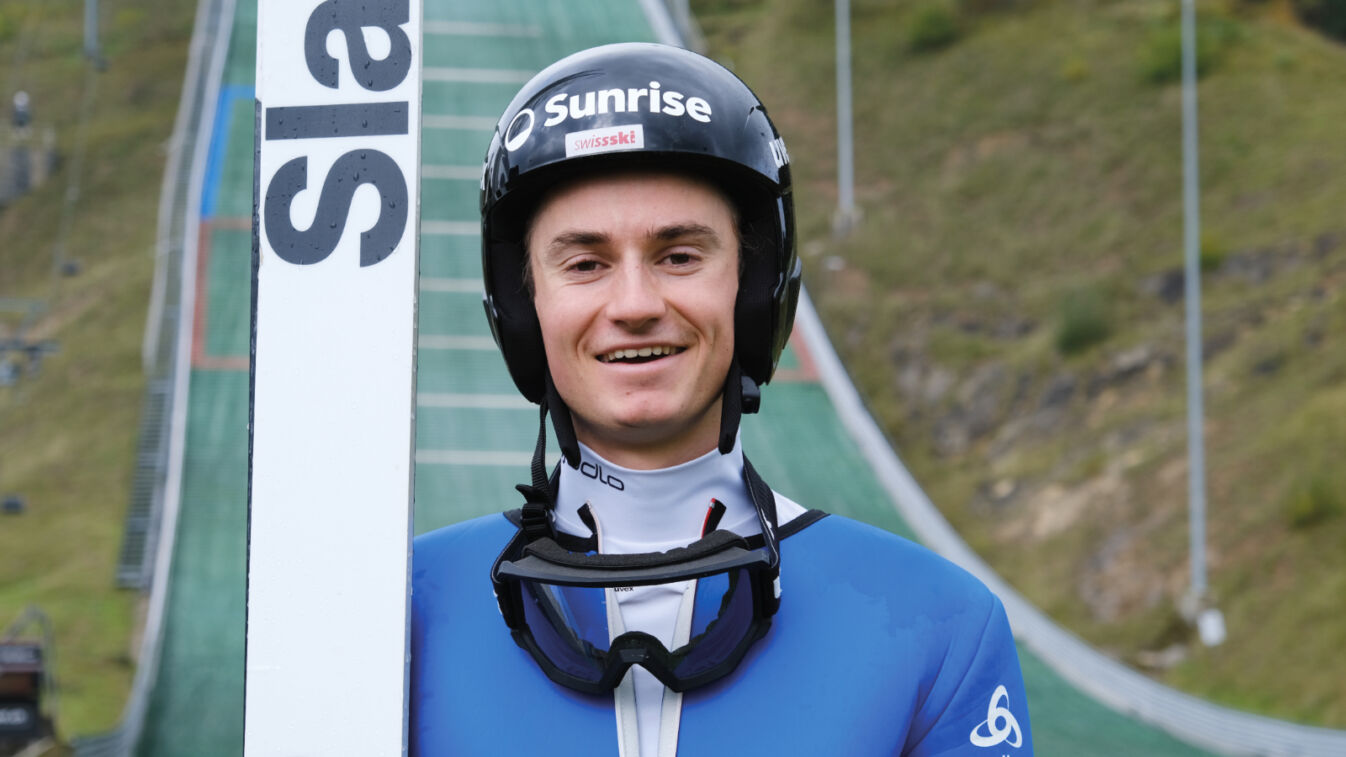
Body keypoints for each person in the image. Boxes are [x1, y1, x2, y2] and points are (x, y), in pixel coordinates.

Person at [411, 43, 1033, 756]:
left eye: (679, 256)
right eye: (585, 263)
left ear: (755, 292)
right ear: (524, 309)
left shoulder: (941, 625)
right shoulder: (397, 612)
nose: (636, 304)